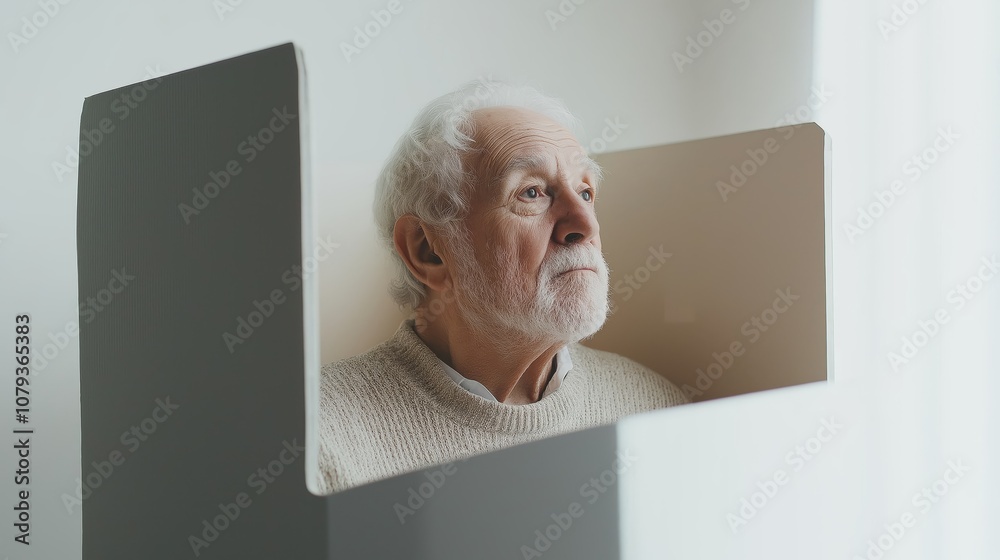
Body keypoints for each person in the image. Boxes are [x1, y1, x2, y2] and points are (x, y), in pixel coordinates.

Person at [316, 78, 688, 494]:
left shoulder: (653, 407)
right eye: (531, 193)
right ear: (428, 251)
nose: (585, 225)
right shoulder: (317, 442)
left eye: (585, 192)